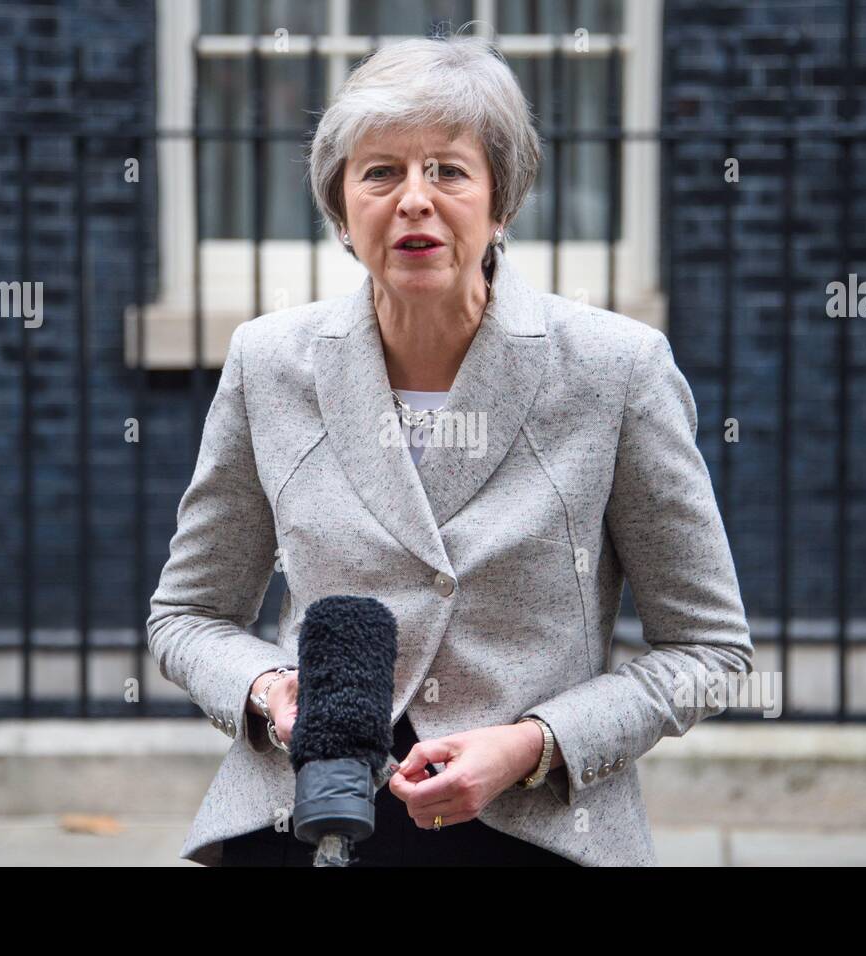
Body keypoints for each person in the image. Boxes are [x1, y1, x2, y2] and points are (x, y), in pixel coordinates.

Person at [147, 32, 753, 867]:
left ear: (500, 201)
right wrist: (268, 691)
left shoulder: (617, 370)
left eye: (449, 170)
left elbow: (709, 650)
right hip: (306, 822)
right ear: (341, 207)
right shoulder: (267, 362)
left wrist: (534, 744)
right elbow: (187, 616)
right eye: (381, 172)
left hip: (534, 832)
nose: (415, 200)